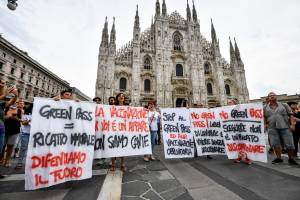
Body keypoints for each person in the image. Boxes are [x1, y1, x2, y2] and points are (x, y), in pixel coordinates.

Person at [264, 92, 298, 165]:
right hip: (272, 128)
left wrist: (292, 125)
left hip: (285, 127)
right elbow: (264, 117)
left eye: (273, 95)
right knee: (275, 144)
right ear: (268, 98)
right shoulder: (265, 107)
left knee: (289, 143)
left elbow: (291, 115)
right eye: (270, 96)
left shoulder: (284, 105)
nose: (272, 96)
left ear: (276, 97)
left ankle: (291, 158)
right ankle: (279, 158)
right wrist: (265, 124)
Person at [0, 80, 18, 178]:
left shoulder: (3, 100)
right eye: (1, 83)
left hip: (2, 128)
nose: (3, 85)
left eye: (4, 83)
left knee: (0, 149)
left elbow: (9, 104)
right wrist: (4, 95)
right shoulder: (2, 97)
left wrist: (15, 96)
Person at [228, 98, 252, 164]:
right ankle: (238, 157)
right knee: (237, 144)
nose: (229, 104)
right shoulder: (228, 110)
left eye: (230, 102)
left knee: (245, 144)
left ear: (234, 103)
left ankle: (248, 158)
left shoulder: (240, 109)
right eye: (228, 103)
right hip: (234, 130)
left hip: (242, 130)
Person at [110, 93, 127, 172]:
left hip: (123, 130)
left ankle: (122, 164)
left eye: (123, 96)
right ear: (117, 98)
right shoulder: (113, 107)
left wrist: (145, 110)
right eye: (120, 96)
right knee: (113, 148)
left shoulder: (127, 107)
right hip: (114, 130)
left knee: (123, 148)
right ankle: (113, 164)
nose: (121, 97)